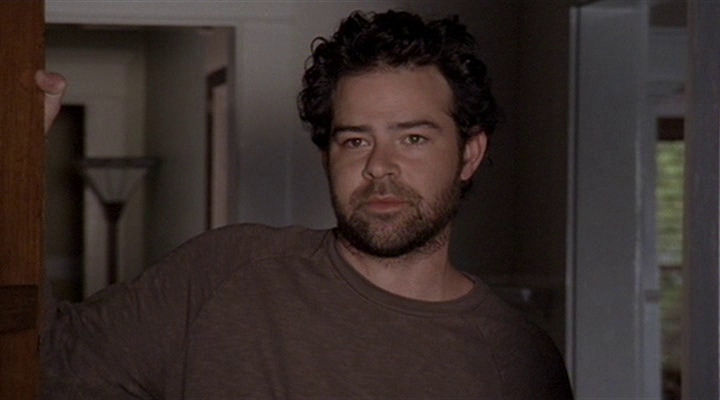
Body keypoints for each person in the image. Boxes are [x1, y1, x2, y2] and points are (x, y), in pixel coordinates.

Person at [37, 10, 573, 399]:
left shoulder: (520, 360)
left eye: (413, 138)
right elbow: (45, 359)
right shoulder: (226, 273)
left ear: (469, 154)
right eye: (355, 140)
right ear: (326, 156)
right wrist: (14, 160)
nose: (379, 166)